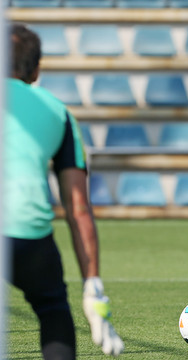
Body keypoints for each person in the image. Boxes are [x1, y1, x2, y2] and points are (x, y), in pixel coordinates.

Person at [3, 24, 124, 359]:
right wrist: (93, 288)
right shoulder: (59, 113)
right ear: (37, 69)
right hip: (28, 234)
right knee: (53, 309)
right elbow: (78, 208)